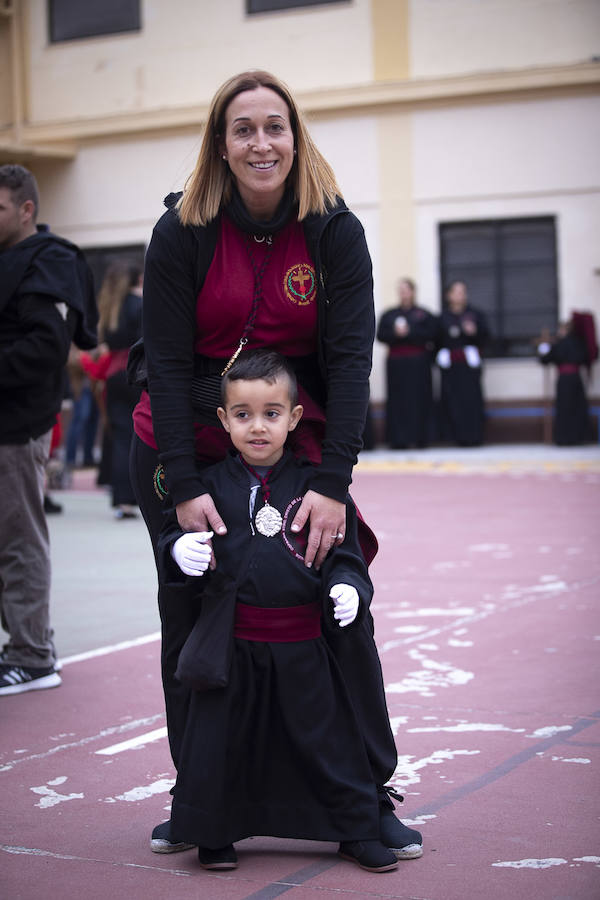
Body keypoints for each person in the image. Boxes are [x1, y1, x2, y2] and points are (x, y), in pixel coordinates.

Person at [129, 70, 419, 858]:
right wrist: (185, 486)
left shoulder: (333, 232)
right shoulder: (183, 231)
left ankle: (368, 788)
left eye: (274, 127)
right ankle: (200, 795)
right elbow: (160, 356)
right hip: (185, 437)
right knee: (192, 614)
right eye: (243, 128)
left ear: (296, 137)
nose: (261, 143)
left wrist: (332, 485)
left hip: (298, 436)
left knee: (336, 598)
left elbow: (353, 365)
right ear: (220, 144)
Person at [157, 350, 420, 873]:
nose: (258, 427)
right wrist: (176, 550)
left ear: (295, 418)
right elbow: (173, 534)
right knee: (227, 746)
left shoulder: (317, 488)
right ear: (223, 419)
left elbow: (345, 557)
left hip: (306, 650)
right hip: (235, 650)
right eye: (243, 414)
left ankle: (354, 827)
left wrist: (348, 588)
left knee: (329, 744)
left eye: (272, 413)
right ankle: (216, 831)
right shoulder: (206, 487)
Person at [0, 164, 97, 695]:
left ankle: (33, 655)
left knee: (20, 539)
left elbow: (44, 350)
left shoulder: (49, 260)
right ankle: (25, 643)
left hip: (18, 425)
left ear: (26, 209)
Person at [97, 261, 143, 518]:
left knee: (119, 437)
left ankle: (121, 498)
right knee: (139, 434)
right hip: (134, 375)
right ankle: (137, 494)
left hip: (112, 376)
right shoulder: (138, 305)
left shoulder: (107, 308)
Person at [377, 278, 436, 448]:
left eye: (406, 289)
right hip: (396, 365)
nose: (403, 293)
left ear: (413, 291)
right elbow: (381, 335)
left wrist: (410, 332)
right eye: (400, 290)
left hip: (418, 365)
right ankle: (398, 439)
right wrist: (396, 334)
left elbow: (432, 334)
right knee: (398, 401)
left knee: (419, 399)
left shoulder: (424, 314)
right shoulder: (389, 315)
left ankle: (421, 438)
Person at [435, 280, 490, 446]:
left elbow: (487, 338)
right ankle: (455, 437)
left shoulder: (475, 314)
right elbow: (435, 341)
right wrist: (440, 355)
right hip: (451, 367)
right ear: (449, 295)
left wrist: (474, 333)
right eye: (457, 292)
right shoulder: (442, 317)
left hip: (470, 366)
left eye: (463, 292)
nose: (461, 295)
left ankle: (474, 436)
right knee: (452, 400)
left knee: (471, 400)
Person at [537, 312, 597, 445]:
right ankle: (578, 438)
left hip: (564, 380)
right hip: (576, 379)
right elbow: (589, 356)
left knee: (565, 409)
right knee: (576, 408)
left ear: (564, 330)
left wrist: (543, 347)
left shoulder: (559, 344)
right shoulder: (579, 342)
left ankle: (565, 438)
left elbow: (545, 360)